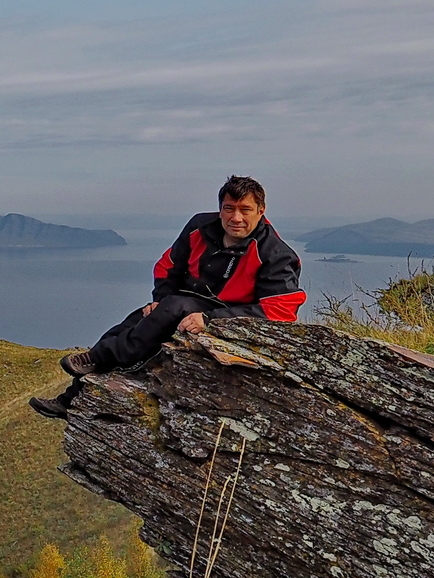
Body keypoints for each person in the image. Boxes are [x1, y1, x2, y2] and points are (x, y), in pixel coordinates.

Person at [31, 175, 305, 419]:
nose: (236, 217)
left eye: (245, 210)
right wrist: (159, 299)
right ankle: (70, 400)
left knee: (173, 308)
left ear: (261, 211)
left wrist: (210, 319)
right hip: (182, 302)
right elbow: (168, 266)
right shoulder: (201, 227)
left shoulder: (275, 254)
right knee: (131, 324)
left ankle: (99, 357)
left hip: (225, 313)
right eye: (229, 208)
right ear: (220, 208)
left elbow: (280, 311)